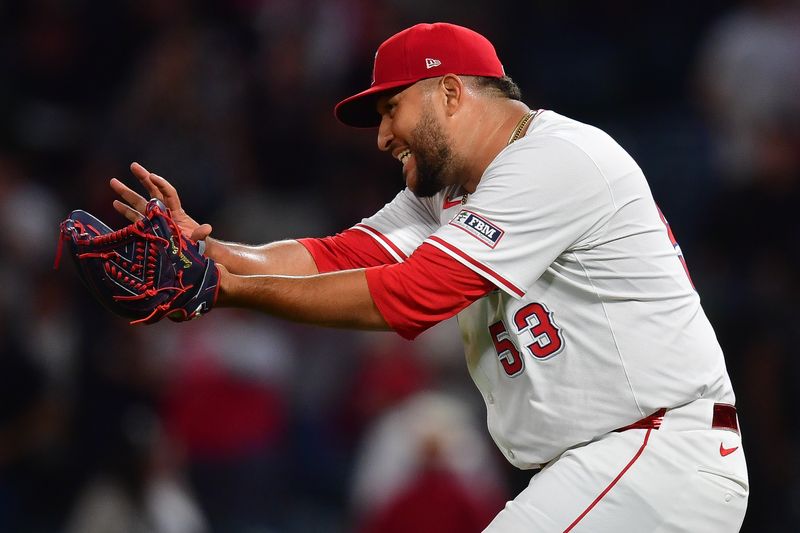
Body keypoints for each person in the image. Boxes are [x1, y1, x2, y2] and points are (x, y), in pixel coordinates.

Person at [110, 22, 749, 532]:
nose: (384, 136)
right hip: (614, 465)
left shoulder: (554, 159)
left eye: (392, 108)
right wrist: (212, 253)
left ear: (450, 92)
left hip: (655, 454)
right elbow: (337, 255)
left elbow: (413, 297)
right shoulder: (444, 193)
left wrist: (222, 291)